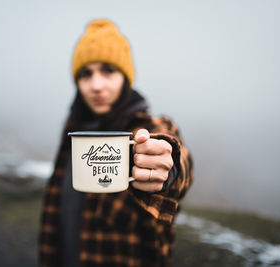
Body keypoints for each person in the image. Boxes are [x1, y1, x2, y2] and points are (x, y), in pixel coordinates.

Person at [39, 19, 193, 267]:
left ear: (125, 77)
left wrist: (169, 166)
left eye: (108, 70)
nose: (96, 85)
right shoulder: (73, 131)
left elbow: (178, 156)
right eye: (86, 74)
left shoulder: (145, 129)